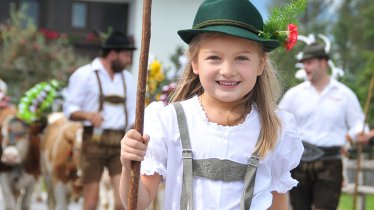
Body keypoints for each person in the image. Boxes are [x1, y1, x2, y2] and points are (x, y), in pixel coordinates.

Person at [119, 0, 304, 209]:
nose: (227, 70)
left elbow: (277, 203)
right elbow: (136, 203)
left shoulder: (275, 128)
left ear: (260, 63)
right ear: (195, 62)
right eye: (214, 57)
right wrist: (129, 166)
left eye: (242, 58)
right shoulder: (169, 121)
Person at [279, 42, 366, 210]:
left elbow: (358, 124)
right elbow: (278, 123)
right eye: (304, 63)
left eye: (309, 62)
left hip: (330, 164)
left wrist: (355, 134)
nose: (305, 66)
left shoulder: (345, 95)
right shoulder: (294, 95)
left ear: (323, 62)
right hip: (299, 163)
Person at [64, 30, 137, 210]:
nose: (129, 60)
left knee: (123, 201)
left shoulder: (128, 79)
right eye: (126, 55)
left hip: (121, 142)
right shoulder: (84, 75)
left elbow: (134, 113)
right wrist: (88, 115)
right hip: (93, 142)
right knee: (91, 201)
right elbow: (69, 109)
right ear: (112, 54)